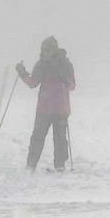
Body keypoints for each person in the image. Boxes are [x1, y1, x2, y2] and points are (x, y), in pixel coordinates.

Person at [17, 36, 76, 172]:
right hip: (50, 108)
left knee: (57, 138)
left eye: (48, 50)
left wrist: (66, 82)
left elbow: (72, 85)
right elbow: (33, 83)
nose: (46, 53)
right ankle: (32, 164)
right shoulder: (42, 64)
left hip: (56, 108)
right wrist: (23, 73)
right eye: (44, 51)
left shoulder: (65, 64)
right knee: (41, 137)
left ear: (54, 50)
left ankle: (58, 165)